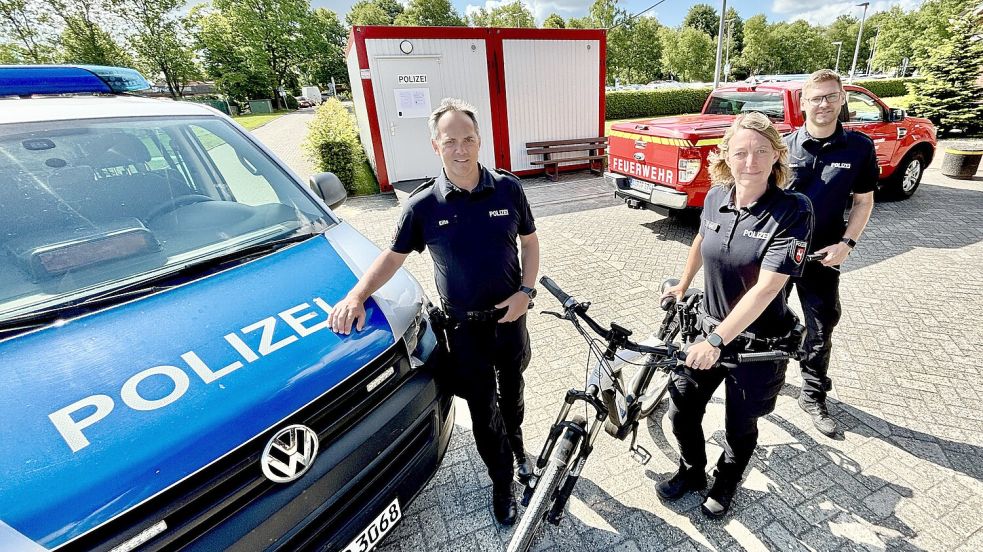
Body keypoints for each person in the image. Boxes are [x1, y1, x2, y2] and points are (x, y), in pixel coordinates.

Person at [328, 98, 539, 526]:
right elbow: (392, 258)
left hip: (512, 319)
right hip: (465, 329)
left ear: (480, 140)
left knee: (513, 390)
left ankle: (517, 448)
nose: (461, 149)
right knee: (482, 408)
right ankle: (502, 483)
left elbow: (530, 243)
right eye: (450, 142)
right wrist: (356, 295)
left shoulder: (509, 188)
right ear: (435, 146)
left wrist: (526, 293)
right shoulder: (423, 205)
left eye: (469, 139)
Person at [657, 112, 813, 518]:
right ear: (725, 155)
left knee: (739, 425)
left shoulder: (793, 210)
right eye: (741, 152)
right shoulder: (715, 197)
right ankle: (692, 471)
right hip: (708, 331)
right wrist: (683, 282)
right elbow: (700, 237)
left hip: (757, 347)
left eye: (762, 151)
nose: (751, 161)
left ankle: (727, 480)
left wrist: (715, 342)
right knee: (681, 409)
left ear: (777, 156)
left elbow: (767, 288)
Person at [784, 69, 878, 437]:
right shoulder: (782, 146)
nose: (823, 104)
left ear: (841, 100)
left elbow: (864, 201)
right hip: (778, 253)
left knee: (821, 328)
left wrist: (847, 244)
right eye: (815, 98)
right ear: (802, 103)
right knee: (761, 320)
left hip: (823, 255)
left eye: (830, 96)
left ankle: (812, 393)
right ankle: (759, 381)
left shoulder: (858, 147)